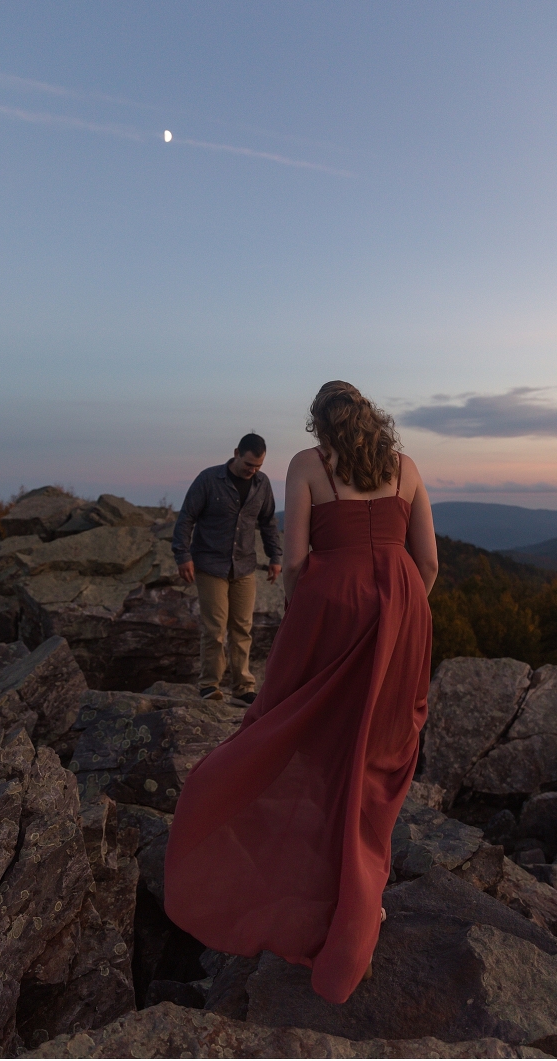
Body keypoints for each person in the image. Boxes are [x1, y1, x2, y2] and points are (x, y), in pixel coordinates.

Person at [164, 381, 437, 1003]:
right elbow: (428, 563)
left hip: (331, 605)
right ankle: (362, 898)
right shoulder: (407, 468)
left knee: (296, 735)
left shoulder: (307, 465)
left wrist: (306, 615)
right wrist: (403, 619)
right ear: (372, 418)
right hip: (403, 610)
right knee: (376, 758)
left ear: (319, 424)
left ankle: (295, 883)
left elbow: (293, 560)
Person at [172, 433, 282, 705]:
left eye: (258, 466)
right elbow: (186, 517)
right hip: (210, 565)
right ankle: (210, 685)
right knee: (215, 628)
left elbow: (268, 522)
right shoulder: (208, 479)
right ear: (236, 453)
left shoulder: (262, 484)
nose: (252, 470)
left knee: (243, 627)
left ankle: (243, 687)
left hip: (244, 566)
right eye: (248, 464)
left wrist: (275, 556)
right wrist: (183, 555)